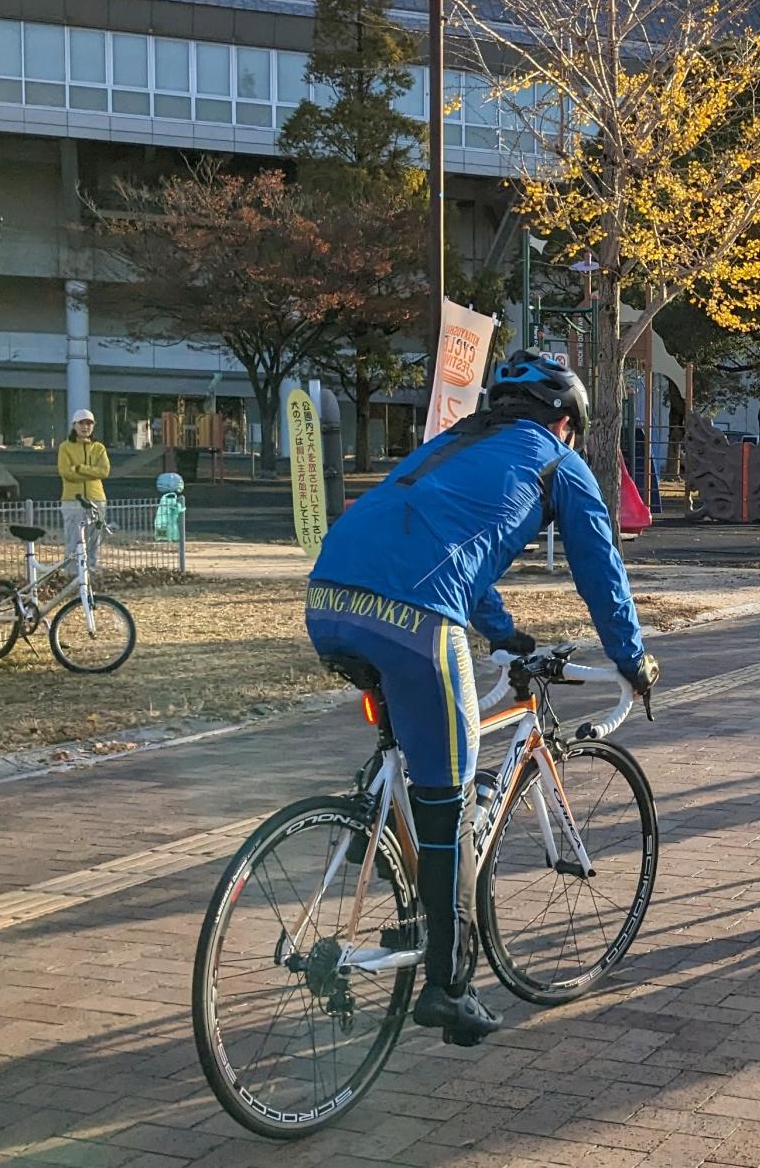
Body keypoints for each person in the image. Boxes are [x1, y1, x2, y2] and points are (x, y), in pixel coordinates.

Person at [305, 349, 658, 1047]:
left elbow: (451, 548)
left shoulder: (456, 442)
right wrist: (632, 659)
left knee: (413, 746)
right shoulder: (559, 464)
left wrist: (503, 632)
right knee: (452, 794)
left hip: (326, 598)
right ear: (566, 421)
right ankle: (448, 985)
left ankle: (373, 830)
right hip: (413, 618)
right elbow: (601, 572)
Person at [58, 408, 111, 572]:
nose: (85, 427)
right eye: (81, 423)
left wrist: (79, 468)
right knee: (73, 539)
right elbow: (66, 473)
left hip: (97, 499)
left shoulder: (99, 448)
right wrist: (91, 472)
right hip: (72, 500)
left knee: (94, 539)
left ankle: (91, 571)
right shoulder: (65, 447)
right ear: (74, 425)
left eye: (89, 423)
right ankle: (73, 574)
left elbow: (104, 471)